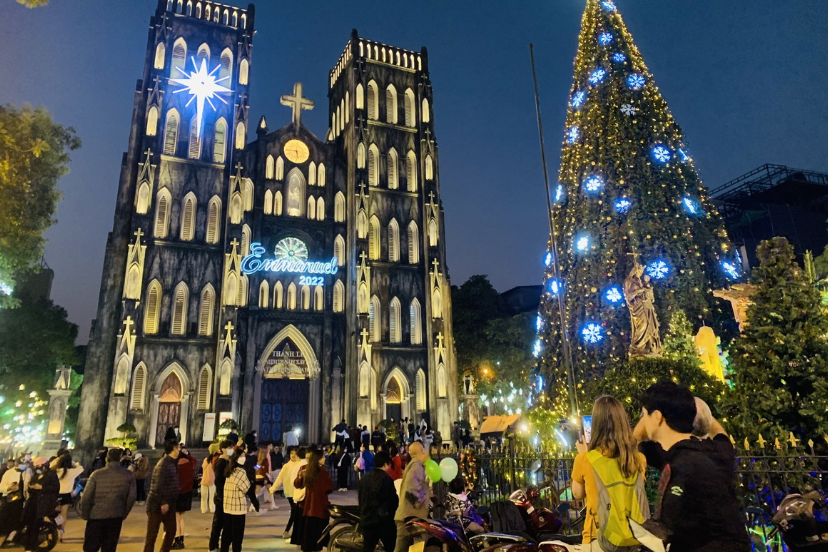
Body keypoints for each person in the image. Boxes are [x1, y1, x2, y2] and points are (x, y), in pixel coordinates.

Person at [634, 382, 750, 552]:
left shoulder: (693, 465)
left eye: (644, 415)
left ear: (657, 417)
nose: (643, 422)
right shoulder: (688, 455)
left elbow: (732, 539)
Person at [571, 395, 648, 550]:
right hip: (632, 539)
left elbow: (577, 494)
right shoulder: (639, 459)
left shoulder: (585, 459)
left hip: (597, 538)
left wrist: (585, 453)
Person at [80, 448, 136, 552]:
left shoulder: (96, 474)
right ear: (120, 459)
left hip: (96, 516)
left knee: (91, 547)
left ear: (106, 459)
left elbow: (86, 497)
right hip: (116, 515)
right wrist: (124, 513)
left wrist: (86, 514)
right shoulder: (128, 475)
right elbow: (132, 497)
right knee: (109, 547)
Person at [144, 440, 180, 552]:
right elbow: (158, 484)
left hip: (169, 503)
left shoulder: (171, 463)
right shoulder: (164, 464)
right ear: (173, 449)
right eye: (177, 448)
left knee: (171, 530)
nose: (179, 450)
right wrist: (163, 502)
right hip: (157, 505)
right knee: (152, 534)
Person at [393, 442, 431, 552]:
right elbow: (412, 492)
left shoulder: (413, 466)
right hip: (409, 519)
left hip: (409, 517)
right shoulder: (417, 467)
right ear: (422, 451)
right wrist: (424, 499)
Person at [294, 449, 333, 552]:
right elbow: (329, 488)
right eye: (323, 457)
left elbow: (297, 484)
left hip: (308, 506)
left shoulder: (306, 470)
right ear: (318, 459)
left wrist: (300, 476)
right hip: (320, 506)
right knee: (319, 533)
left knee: (309, 533)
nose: (324, 458)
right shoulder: (323, 472)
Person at [359, 451, 398, 552]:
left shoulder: (364, 478)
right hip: (383, 522)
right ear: (385, 464)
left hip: (367, 519)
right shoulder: (387, 479)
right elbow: (392, 501)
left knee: (367, 548)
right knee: (390, 547)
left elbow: (361, 497)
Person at [21, 457, 59, 552]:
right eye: (36, 466)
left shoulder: (51, 474)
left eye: (39, 465)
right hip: (32, 503)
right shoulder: (35, 475)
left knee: (35, 526)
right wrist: (31, 487)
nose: (37, 467)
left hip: (43, 504)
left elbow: (55, 488)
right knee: (29, 524)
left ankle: (32, 547)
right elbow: (30, 487)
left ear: (45, 465)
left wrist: (42, 487)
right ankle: (28, 546)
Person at [221, 449, 251, 552]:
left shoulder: (229, 470)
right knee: (237, 537)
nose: (244, 457)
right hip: (237, 508)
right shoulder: (240, 472)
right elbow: (246, 487)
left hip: (228, 506)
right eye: (242, 455)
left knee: (227, 534)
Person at [52, 449, 85, 540]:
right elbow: (81, 468)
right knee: (63, 515)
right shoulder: (71, 472)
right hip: (66, 495)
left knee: (54, 514)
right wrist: (74, 463)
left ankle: (52, 531)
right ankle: (61, 534)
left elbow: (51, 465)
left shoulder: (56, 470)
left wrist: (58, 459)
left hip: (55, 494)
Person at [271, 446, 302, 539]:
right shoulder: (286, 466)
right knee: (295, 512)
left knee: (296, 512)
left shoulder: (301, 465)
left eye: (295, 453)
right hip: (289, 493)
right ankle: (288, 531)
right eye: (292, 453)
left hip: (299, 493)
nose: (293, 455)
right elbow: (279, 478)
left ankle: (293, 532)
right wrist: (273, 488)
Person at [208, 441, 234, 552]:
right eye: (229, 447)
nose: (231, 449)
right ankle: (213, 546)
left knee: (225, 523)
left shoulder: (229, 461)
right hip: (221, 497)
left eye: (232, 447)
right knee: (218, 523)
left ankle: (218, 545)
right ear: (222, 449)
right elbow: (218, 481)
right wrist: (222, 493)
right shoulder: (221, 462)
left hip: (227, 496)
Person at [172, 446, 197, 549]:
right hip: (187, 493)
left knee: (176, 518)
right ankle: (181, 540)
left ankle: (177, 541)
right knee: (181, 518)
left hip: (178, 494)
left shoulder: (177, 466)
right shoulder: (189, 465)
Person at [289, 447, 311, 548]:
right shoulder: (303, 466)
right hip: (303, 496)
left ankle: (296, 538)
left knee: (296, 518)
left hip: (295, 494)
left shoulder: (296, 465)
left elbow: (293, 481)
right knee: (300, 519)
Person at [201, 450, 218, 514]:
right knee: (212, 496)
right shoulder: (215, 461)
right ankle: (212, 508)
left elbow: (202, 467)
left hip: (204, 479)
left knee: (204, 496)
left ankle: (204, 509)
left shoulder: (205, 460)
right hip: (212, 480)